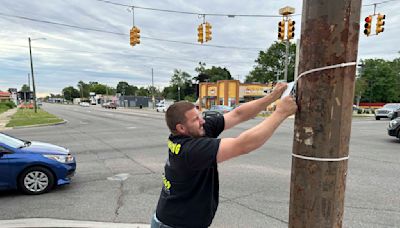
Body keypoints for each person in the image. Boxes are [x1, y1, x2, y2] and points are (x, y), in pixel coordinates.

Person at [152, 83, 297, 228]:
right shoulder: (190, 150)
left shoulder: (195, 132)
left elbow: (237, 114)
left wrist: (272, 97)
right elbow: (243, 145)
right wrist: (280, 113)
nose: (202, 121)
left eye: (200, 116)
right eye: (195, 119)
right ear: (181, 128)